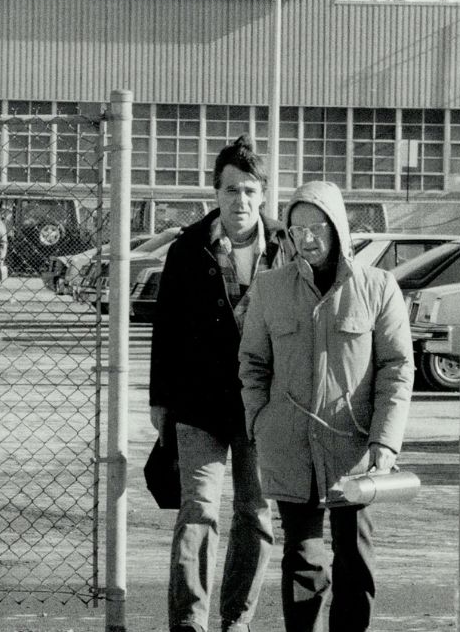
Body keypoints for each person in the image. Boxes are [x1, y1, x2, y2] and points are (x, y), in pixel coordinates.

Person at [239, 180, 414, 632]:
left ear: (338, 229)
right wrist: (260, 421)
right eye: (296, 231)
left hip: (354, 451)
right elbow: (253, 363)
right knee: (304, 561)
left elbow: (397, 368)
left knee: (355, 559)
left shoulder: (377, 287)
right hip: (290, 448)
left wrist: (385, 441)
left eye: (317, 228)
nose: (307, 240)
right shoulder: (270, 288)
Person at [149, 136, 286, 632]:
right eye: (231, 189)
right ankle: (189, 622)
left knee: (255, 514)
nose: (240, 200)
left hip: (261, 407)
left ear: (264, 194)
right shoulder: (189, 249)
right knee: (198, 513)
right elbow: (165, 327)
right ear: (216, 192)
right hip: (198, 404)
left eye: (250, 190)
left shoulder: (286, 247)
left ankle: (236, 620)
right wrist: (160, 400)